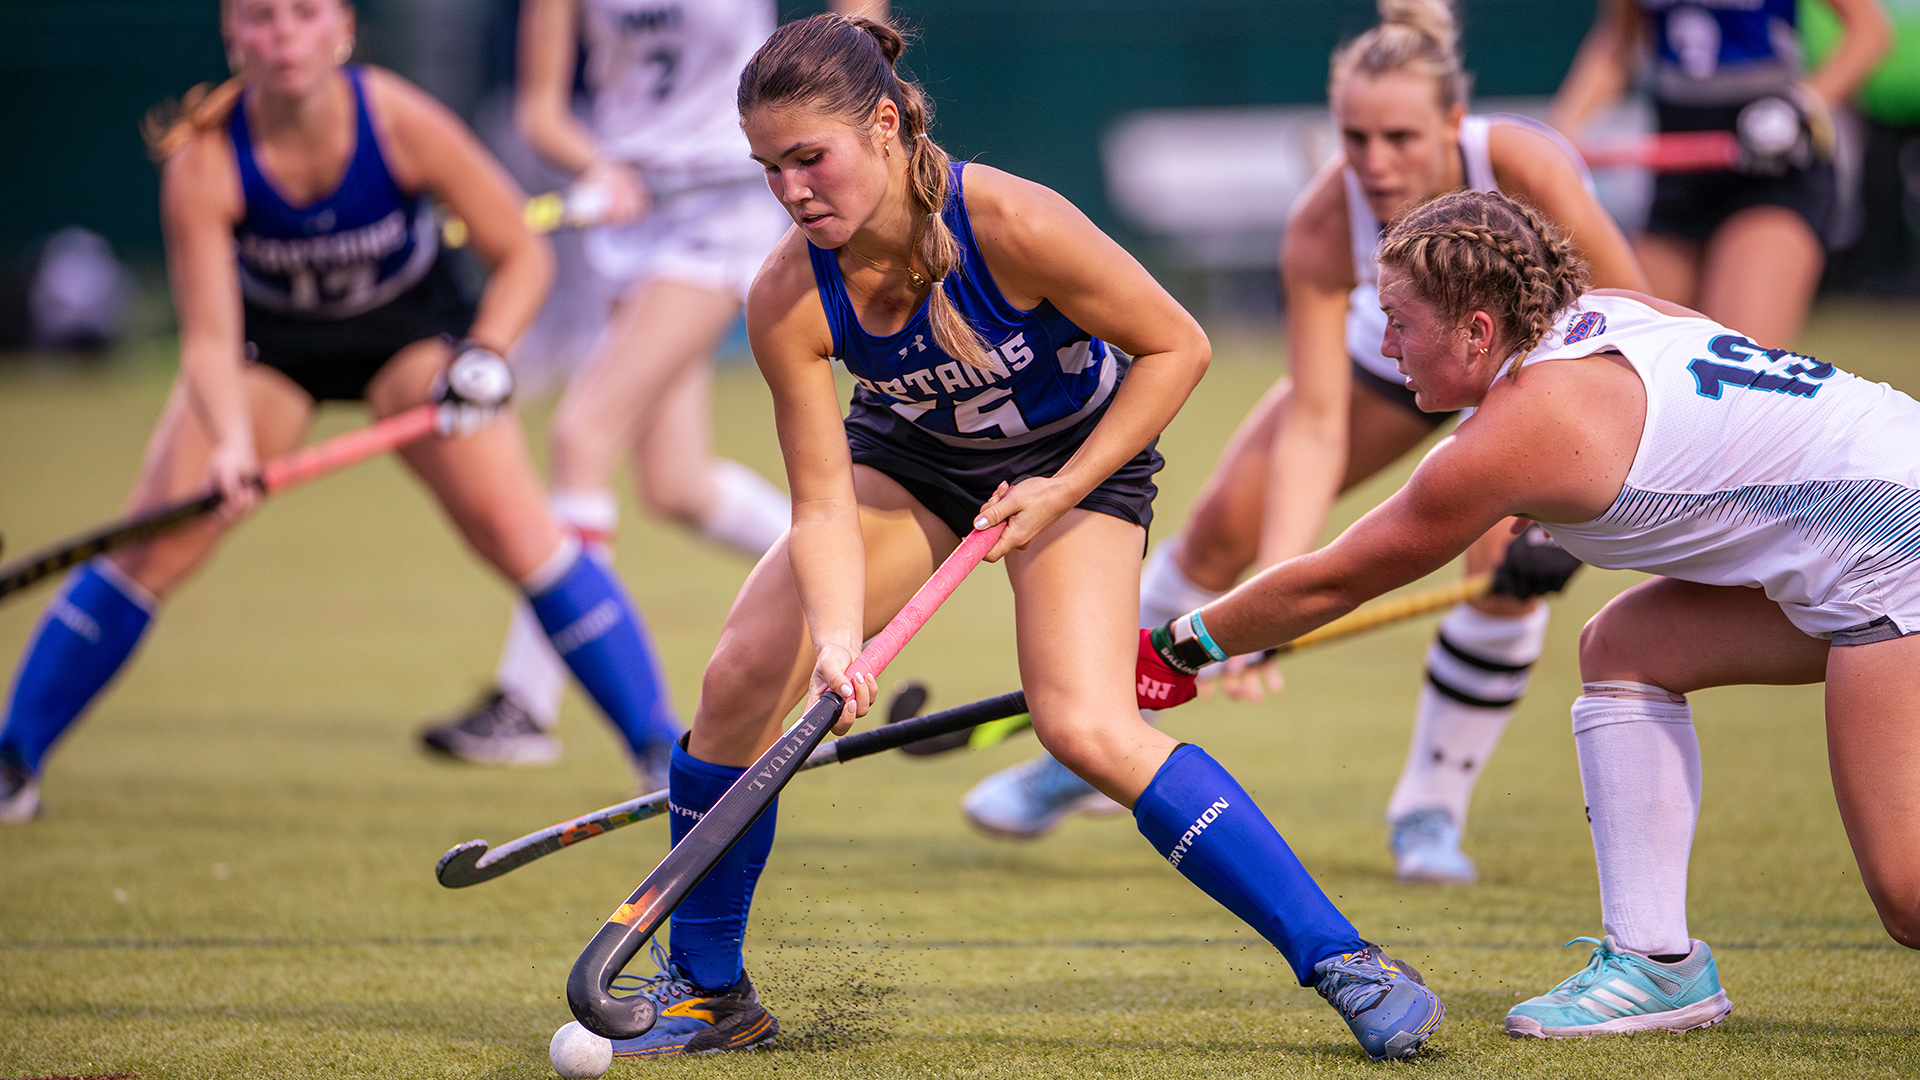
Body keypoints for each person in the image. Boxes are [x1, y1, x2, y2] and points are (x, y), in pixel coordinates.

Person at [592, 13, 1447, 1061]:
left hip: (1079, 461)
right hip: (912, 465)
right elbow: (820, 505)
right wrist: (835, 642)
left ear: (887, 124)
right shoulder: (786, 293)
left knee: (1085, 728)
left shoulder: (1010, 220)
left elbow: (1176, 347)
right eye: (770, 168)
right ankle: (709, 992)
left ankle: (1345, 959)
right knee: (740, 675)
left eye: (810, 158)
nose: (792, 191)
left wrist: (1060, 489)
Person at [1136, 187, 1920, 1038]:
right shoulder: (1612, 314)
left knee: (1908, 897)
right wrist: (1555, 520)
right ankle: (1657, 966)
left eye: (1400, 323)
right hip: (1880, 499)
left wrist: (1177, 647)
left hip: (1893, 543)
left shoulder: (1513, 433)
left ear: (1478, 330)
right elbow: (1715, 433)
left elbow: (1333, 581)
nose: (1386, 347)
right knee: (1628, 646)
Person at [962, 0, 1642, 887]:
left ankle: (1430, 809)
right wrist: (1272, 594)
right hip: (1391, 366)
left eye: (1399, 137)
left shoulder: (1524, 166)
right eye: (1355, 137)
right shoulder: (1324, 220)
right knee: (1219, 532)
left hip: (1534, 377)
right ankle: (1098, 740)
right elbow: (1316, 422)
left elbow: (1629, 316)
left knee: (1501, 575)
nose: (1375, 163)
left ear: (1452, 121)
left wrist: (1553, 518)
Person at [0, 0, 680, 821]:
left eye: (304, 14)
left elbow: (521, 256)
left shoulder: (398, 121)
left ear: (343, 28)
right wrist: (230, 445)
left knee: (519, 531)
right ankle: (13, 763)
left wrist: (486, 355)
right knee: (153, 544)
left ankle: (660, 751)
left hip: (412, 347)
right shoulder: (204, 161)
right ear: (232, 35)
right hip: (273, 356)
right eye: (260, 18)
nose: (283, 36)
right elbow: (209, 341)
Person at [420, 0, 886, 768]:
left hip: (719, 217)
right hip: (631, 216)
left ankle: (526, 704)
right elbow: (541, 112)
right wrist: (596, 164)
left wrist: (827, 110)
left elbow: (859, 24)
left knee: (583, 434)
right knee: (677, 486)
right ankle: (857, 575)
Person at [1550, 0, 1889, 349]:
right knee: (1629, 345)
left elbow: (1870, 34)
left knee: (1737, 354)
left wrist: (1800, 104)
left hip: (1769, 169)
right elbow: (1618, 43)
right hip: (1680, 170)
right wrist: (1561, 130)